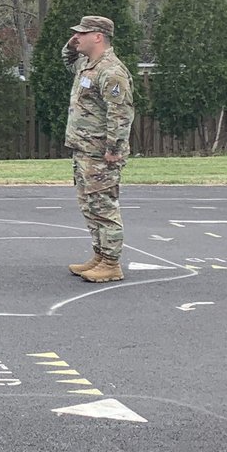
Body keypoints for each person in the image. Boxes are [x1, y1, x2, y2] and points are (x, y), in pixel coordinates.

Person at [63, 16, 135, 283]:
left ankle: (111, 263)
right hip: (84, 149)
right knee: (90, 206)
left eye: (82, 33)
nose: (77, 37)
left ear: (98, 37)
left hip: (101, 152)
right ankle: (100, 255)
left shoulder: (111, 70)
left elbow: (120, 112)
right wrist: (70, 46)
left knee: (104, 206)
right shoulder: (86, 64)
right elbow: (67, 61)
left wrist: (114, 148)